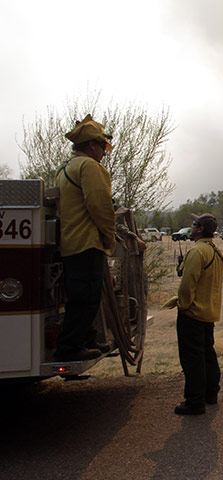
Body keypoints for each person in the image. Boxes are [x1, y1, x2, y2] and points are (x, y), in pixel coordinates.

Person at [53, 115, 116, 362]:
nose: (103, 152)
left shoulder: (65, 168)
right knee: (86, 298)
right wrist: (109, 236)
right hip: (87, 243)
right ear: (91, 145)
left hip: (70, 243)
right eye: (102, 147)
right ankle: (69, 348)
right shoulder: (90, 167)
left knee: (82, 296)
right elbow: (100, 206)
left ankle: (87, 340)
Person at [163, 213, 223, 415]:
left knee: (192, 359)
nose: (190, 227)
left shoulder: (197, 252)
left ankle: (195, 402)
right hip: (209, 312)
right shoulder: (215, 250)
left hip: (193, 313)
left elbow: (188, 284)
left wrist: (183, 305)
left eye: (193, 225)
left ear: (199, 229)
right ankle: (210, 394)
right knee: (207, 353)